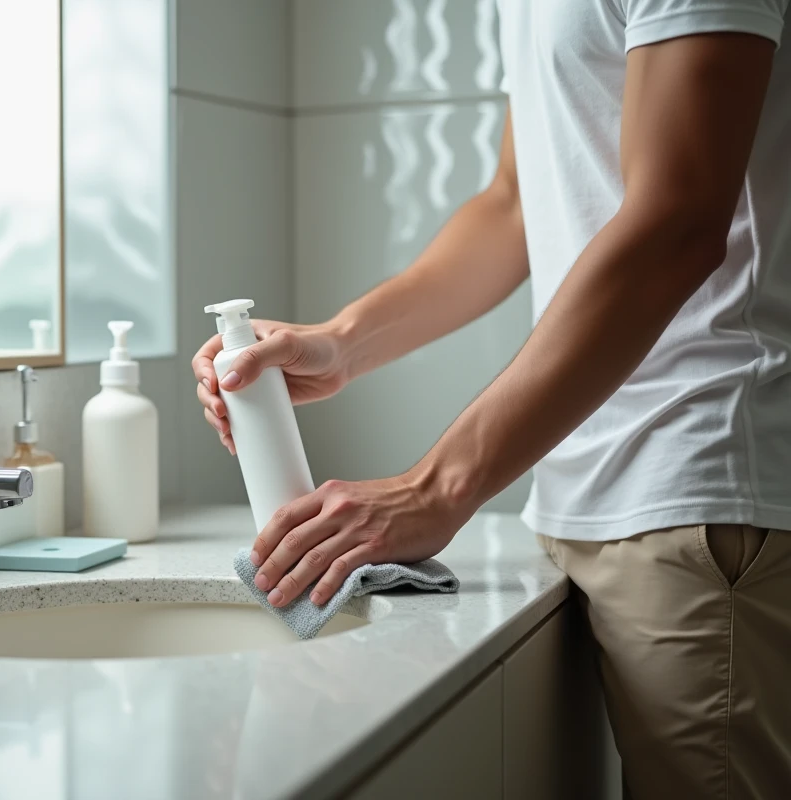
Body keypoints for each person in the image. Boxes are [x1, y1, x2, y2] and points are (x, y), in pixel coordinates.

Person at [192, 2, 791, 798]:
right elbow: (513, 200)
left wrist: (437, 486)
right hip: (575, 488)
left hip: (692, 478)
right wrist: (342, 341)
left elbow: (677, 217)